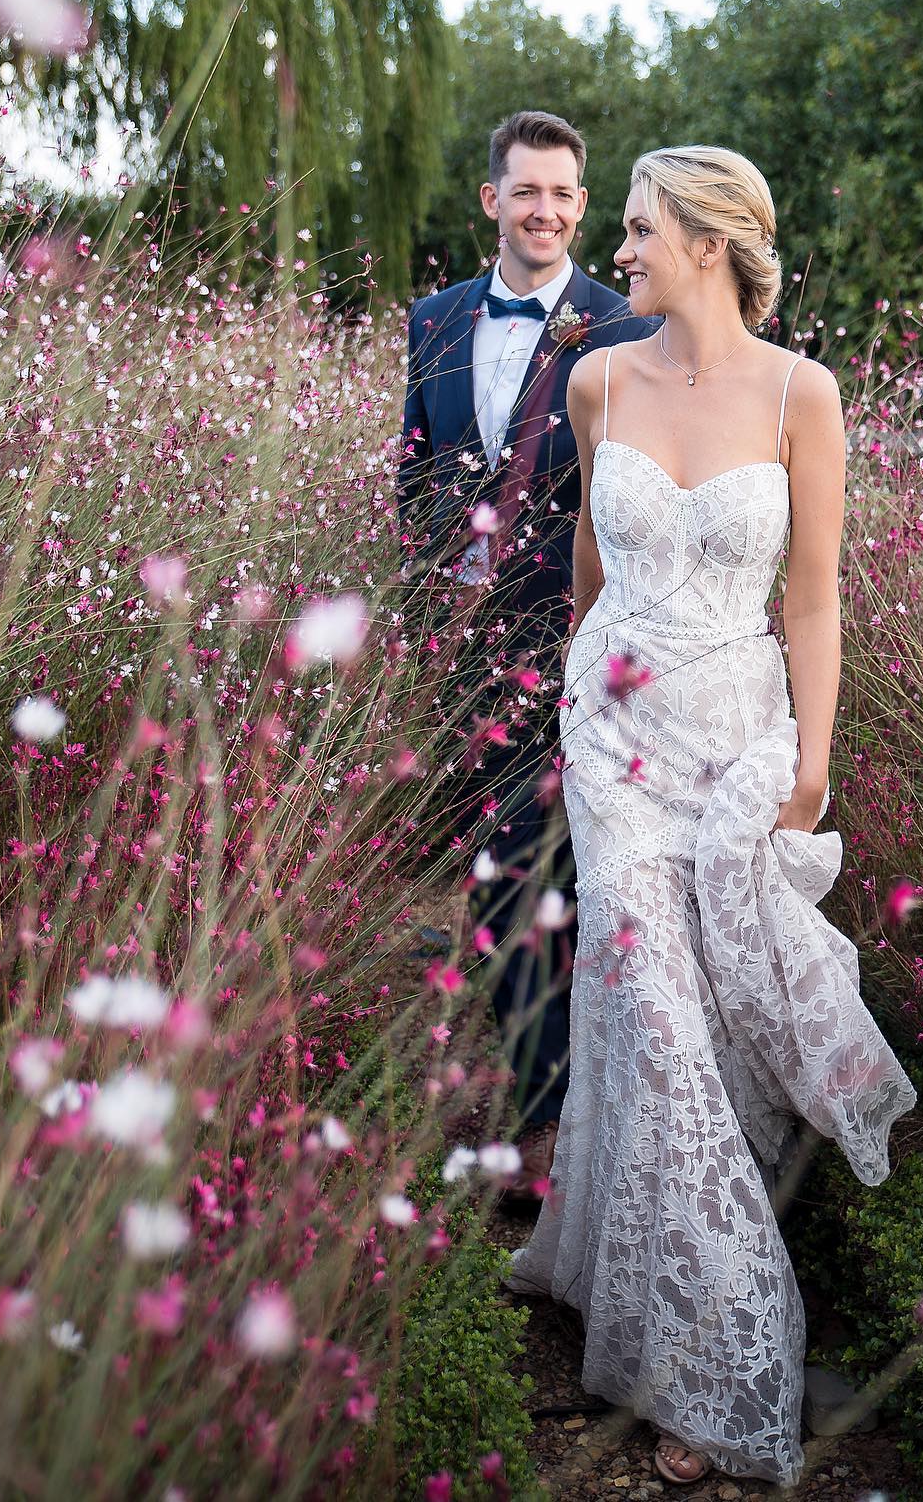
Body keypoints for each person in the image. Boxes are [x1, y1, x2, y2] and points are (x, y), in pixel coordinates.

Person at [503, 146, 917, 1486]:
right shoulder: (598, 380)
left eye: (634, 229)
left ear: (707, 239)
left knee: (712, 1028)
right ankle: (713, 1359)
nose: (616, 250)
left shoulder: (806, 394)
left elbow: (813, 595)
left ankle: (603, 1258)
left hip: (740, 744)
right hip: (615, 746)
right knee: (659, 1018)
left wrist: (813, 761)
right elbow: (588, 568)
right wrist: (575, 708)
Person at [398, 109, 658, 1194]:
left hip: (587, 641)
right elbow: (415, 466)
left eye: (563, 195)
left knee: (590, 869)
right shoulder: (434, 320)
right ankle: (544, 1106)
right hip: (468, 649)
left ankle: (588, 1105)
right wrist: (425, 614)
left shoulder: (629, 326)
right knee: (499, 868)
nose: (545, 211)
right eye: (526, 191)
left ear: (583, 209)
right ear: (491, 201)